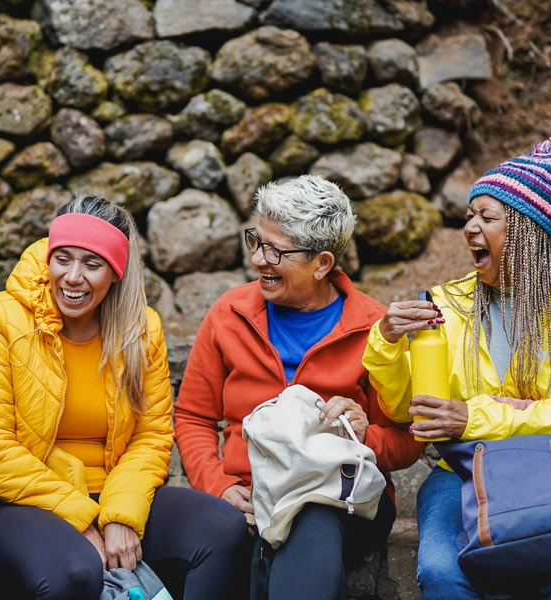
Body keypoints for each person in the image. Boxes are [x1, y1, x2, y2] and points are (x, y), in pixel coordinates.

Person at [362, 138, 551, 599]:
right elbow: (412, 410)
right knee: (443, 571)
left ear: (525, 227)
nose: (470, 228)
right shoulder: (449, 303)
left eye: (487, 217)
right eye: (469, 216)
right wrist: (385, 344)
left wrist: (472, 416)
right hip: (461, 469)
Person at [0, 195, 248, 599]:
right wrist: (83, 518)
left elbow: (151, 436)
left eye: (91, 264)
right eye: (63, 258)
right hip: (18, 501)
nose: (73, 277)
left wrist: (121, 515)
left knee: (224, 528)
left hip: (113, 490)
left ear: (115, 272)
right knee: (75, 569)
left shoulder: (142, 329)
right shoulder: (0, 318)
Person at [173, 174, 424, 600]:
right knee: (222, 539)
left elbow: (408, 442)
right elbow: (193, 415)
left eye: (276, 251)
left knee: (310, 521)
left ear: (322, 263)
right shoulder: (228, 314)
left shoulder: (372, 328)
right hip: (249, 491)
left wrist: (365, 434)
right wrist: (217, 485)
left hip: (343, 495)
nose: (258, 259)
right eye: (256, 241)